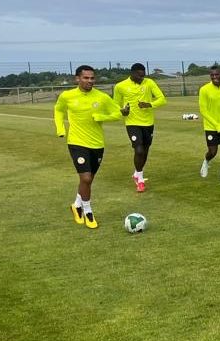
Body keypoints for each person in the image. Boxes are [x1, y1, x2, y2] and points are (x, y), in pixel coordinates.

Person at [54, 65, 123, 229]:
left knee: (89, 180)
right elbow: (58, 111)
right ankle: (88, 211)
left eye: (92, 78)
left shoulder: (102, 97)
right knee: (85, 178)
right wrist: (60, 129)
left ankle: (76, 205)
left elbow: (118, 113)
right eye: (86, 78)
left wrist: (101, 116)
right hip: (76, 142)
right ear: (77, 78)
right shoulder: (67, 96)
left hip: (97, 144)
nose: (90, 81)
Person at [112, 62, 167, 192]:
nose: (141, 78)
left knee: (145, 150)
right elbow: (115, 105)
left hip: (148, 123)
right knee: (139, 150)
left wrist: (149, 104)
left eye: (143, 76)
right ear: (132, 74)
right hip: (132, 123)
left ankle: (137, 173)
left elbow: (162, 99)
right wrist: (122, 111)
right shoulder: (120, 86)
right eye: (139, 76)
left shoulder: (149, 83)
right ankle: (140, 180)